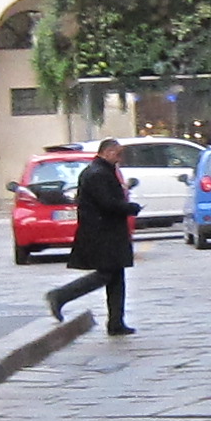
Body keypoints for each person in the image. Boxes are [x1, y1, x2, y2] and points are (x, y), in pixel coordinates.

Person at [45, 139, 138, 333]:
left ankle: (116, 322)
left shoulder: (102, 171)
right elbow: (107, 203)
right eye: (118, 154)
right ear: (107, 152)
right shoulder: (98, 174)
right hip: (102, 233)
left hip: (108, 231)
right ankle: (61, 295)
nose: (120, 159)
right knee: (106, 274)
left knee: (116, 276)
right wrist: (130, 208)